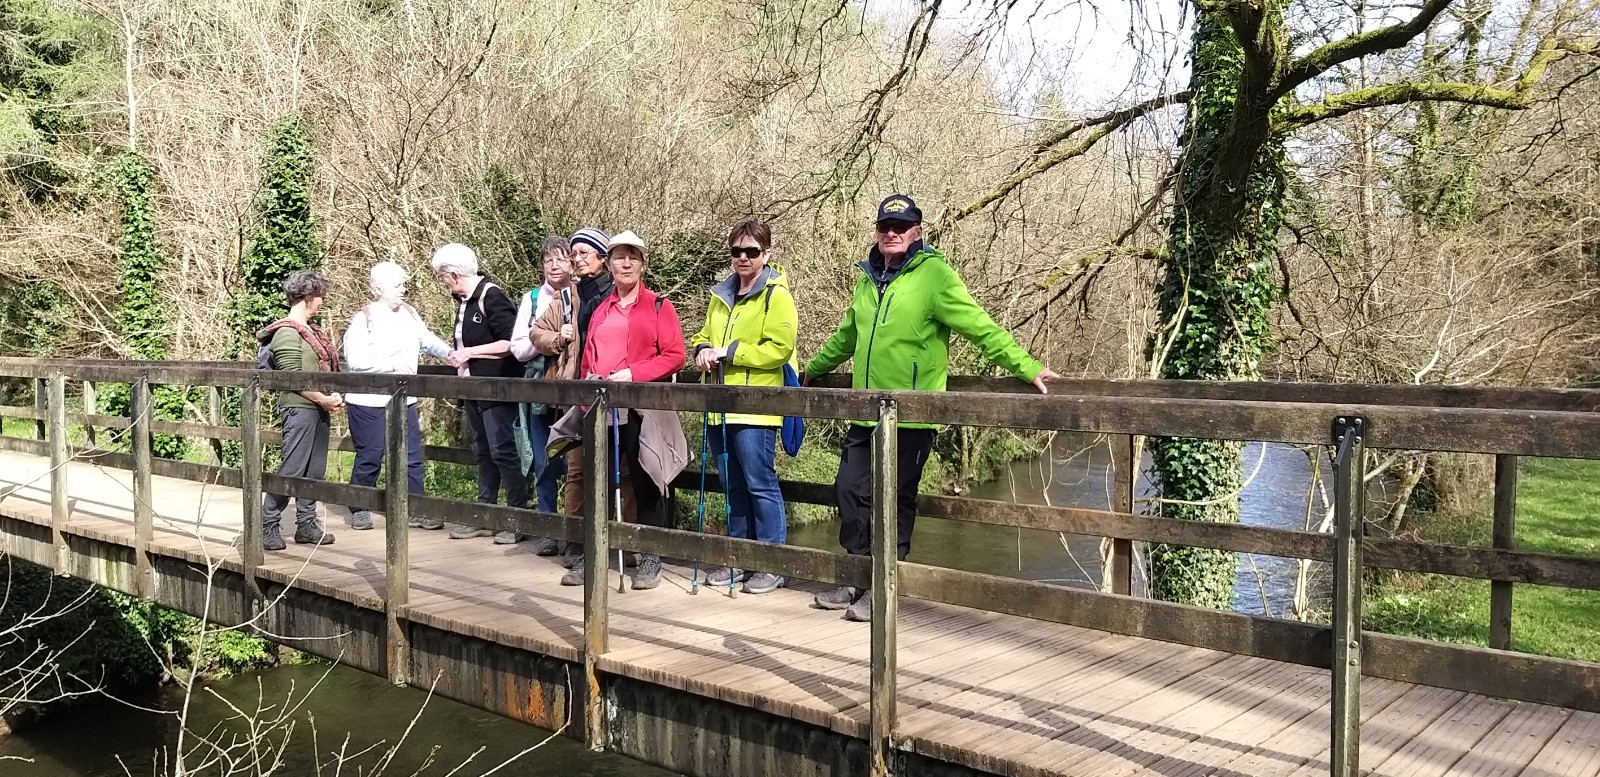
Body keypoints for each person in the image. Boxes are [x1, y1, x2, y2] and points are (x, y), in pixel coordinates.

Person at [805, 194, 1060, 622]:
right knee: (849, 490)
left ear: (917, 233)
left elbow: (979, 326)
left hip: (911, 414)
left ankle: (884, 586)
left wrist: (1027, 365)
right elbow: (848, 336)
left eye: (900, 227)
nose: (891, 233)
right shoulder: (867, 278)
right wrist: (811, 368)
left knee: (895, 499)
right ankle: (855, 575)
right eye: (885, 225)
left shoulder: (935, 276)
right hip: (865, 410)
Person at [561, 230, 686, 590]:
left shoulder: (660, 306)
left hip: (642, 408)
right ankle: (592, 554)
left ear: (643, 263)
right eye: (619, 257)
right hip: (603, 409)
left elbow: (675, 355)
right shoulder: (601, 309)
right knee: (597, 481)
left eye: (633, 256)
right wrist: (588, 399)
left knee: (646, 481)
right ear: (610, 264)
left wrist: (634, 373)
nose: (626, 262)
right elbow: (588, 360)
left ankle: (650, 557)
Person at [689, 219, 797, 595]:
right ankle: (738, 557)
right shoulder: (720, 295)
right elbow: (703, 336)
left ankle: (772, 562)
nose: (743, 258)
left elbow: (780, 347)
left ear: (766, 254)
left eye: (752, 251)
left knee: (759, 484)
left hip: (755, 407)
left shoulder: (776, 295)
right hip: (719, 405)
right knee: (732, 485)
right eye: (737, 251)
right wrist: (702, 350)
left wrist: (730, 353)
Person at [534, 227, 638, 570]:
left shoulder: (618, 293)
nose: (576, 259)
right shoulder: (567, 297)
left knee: (623, 470)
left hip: (617, 393)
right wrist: (558, 338)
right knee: (577, 470)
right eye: (574, 253)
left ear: (602, 258)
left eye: (584, 253)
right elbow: (536, 333)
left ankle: (629, 544)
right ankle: (578, 544)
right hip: (577, 393)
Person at [342, 261, 454, 531]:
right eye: (398, 285)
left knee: (411, 455)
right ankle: (359, 505)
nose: (404, 289)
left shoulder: (409, 313)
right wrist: (390, 366)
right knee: (371, 454)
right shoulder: (364, 318)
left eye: (404, 283)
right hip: (368, 400)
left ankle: (417, 507)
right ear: (380, 288)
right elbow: (355, 360)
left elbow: (426, 340)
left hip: (404, 398)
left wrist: (452, 355)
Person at [431, 243, 528, 540]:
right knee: (483, 450)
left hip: (496, 388)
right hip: (472, 388)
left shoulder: (491, 296)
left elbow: (511, 341)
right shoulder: (464, 300)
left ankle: (517, 517)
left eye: (442, 277)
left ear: (454, 274)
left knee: (503, 451)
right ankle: (485, 513)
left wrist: (469, 352)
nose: (441, 282)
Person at [256, 270, 342, 551]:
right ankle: (267, 523)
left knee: (314, 469)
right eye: (319, 297)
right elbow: (292, 376)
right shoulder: (287, 332)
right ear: (307, 297)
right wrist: (323, 399)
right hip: (299, 408)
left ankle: (306, 523)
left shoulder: (310, 331)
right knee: (293, 468)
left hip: (318, 408)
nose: (322, 302)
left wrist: (329, 398)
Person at [509, 236, 576, 555]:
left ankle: (574, 529)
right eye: (549, 260)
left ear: (572, 263)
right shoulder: (532, 298)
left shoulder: (580, 296)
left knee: (574, 461)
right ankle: (549, 529)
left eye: (561, 259)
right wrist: (550, 340)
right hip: (539, 388)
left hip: (572, 390)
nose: (554, 265)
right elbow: (518, 348)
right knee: (544, 460)